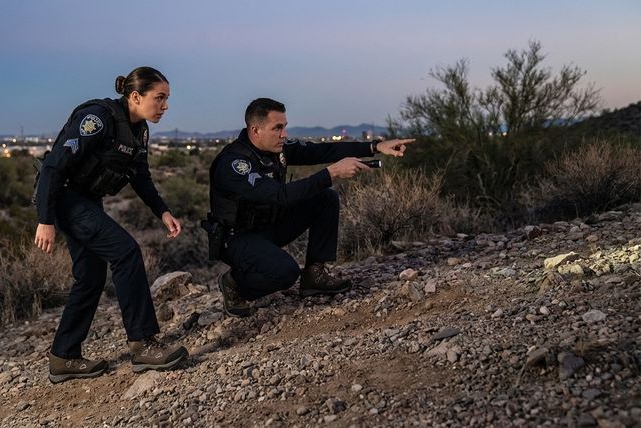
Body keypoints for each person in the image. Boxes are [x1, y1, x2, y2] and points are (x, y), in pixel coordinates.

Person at [34, 66, 187, 383]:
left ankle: (63, 357)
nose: (165, 106)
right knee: (126, 252)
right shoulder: (98, 119)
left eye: (167, 99)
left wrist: (163, 212)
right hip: (64, 199)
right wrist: (45, 221)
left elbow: (141, 177)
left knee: (90, 276)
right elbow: (52, 167)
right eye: (159, 98)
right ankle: (142, 344)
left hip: (87, 201)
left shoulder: (140, 130)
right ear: (135, 95)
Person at [207, 98, 414, 317]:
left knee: (325, 198)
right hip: (238, 238)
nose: (284, 134)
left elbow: (321, 151)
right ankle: (235, 284)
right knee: (285, 273)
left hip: (269, 226)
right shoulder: (233, 164)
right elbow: (280, 196)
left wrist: (374, 147)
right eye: (277, 128)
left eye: (284, 127)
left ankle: (314, 276)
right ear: (255, 130)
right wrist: (331, 173)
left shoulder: (276, 150)